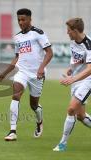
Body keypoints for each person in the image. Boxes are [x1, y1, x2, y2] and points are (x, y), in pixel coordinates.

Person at [0, 8, 53, 141]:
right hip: (22, 72)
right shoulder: (17, 37)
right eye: (19, 20)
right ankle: (12, 131)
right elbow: (17, 57)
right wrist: (4, 73)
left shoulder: (38, 33)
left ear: (29, 19)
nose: (21, 22)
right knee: (16, 95)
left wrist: (41, 68)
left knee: (34, 105)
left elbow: (49, 53)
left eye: (23, 19)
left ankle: (39, 122)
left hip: (37, 74)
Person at [53, 18, 91, 151]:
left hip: (87, 80)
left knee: (71, 109)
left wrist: (73, 79)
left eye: (68, 30)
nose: (67, 32)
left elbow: (90, 69)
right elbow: (76, 59)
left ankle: (62, 144)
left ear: (75, 31)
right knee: (81, 116)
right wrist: (70, 69)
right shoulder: (73, 42)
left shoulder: (89, 45)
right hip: (76, 79)